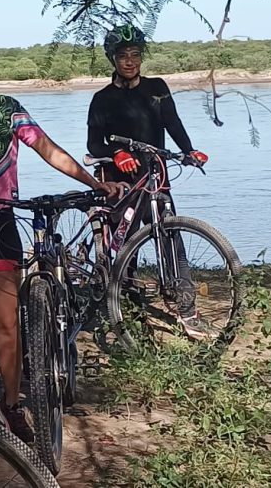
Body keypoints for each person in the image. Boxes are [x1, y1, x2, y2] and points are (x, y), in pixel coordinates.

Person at [0, 29, 124, 443]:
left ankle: (10, 405)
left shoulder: (8, 109)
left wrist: (93, 182)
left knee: (7, 324)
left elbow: (48, 150)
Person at [86, 22, 213, 338]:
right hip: (120, 179)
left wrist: (189, 150)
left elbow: (173, 123)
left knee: (171, 238)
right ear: (112, 59)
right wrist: (116, 153)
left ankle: (187, 310)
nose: (130, 61)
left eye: (135, 54)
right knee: (125, 242)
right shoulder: (102, 98)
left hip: (156, 175)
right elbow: (93, 144)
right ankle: (126, 304)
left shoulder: (157, 87)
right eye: (123, 56)